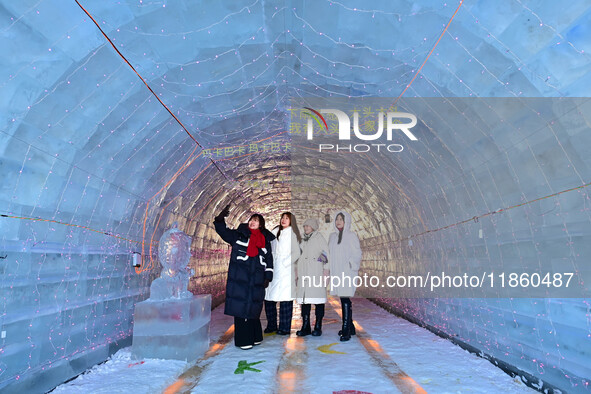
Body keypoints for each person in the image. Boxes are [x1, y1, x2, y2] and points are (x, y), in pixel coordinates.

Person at [213, 204, 275, 350]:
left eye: (256, 221)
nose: (252, 222)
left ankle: (255, 337)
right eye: (251, 220)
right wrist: (220, 219)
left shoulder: (264, 241)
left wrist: (268, 275)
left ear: (261, 225)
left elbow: (269, 259)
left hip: (257, 280)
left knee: (254, 308)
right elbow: (223, 232)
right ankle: (244, 340)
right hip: (240, 279)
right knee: (241, 309)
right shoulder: (239, 235)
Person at [264, 212, 301, 335]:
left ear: (291, 221)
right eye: (282, 218)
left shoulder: (292, 235)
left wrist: (285, 263)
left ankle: (284, 328)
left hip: (285, 271)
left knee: (285, 300)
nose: (283, 220)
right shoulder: (274, 232)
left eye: (287, 218)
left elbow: (296, 252)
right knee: (269, 299)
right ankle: (272, 325)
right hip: (273, 268)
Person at [328, 211, 362, 342]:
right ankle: (351, 327)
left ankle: (346, 329)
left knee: (345, 298)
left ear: (346, 221)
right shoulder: (332, 236)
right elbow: (328, 252)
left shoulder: (351, 236)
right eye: (337, 219)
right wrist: (319, 262)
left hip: (347, 271)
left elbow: (357, 253)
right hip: (337, 271)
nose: (338, 221)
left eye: (341, 219)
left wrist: (351, 266)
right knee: (342, 298)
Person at [295, 218, 329, 337]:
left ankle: (318, 326)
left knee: (318, 300)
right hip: (304, 273)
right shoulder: (303, 239)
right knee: (305, 300)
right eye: (304, 226)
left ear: (313, 227)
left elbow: (326, 253)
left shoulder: (319, 238)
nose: (305, 228)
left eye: (308, 226)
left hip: (315, 273)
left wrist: (322, 267)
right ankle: (305, 326)